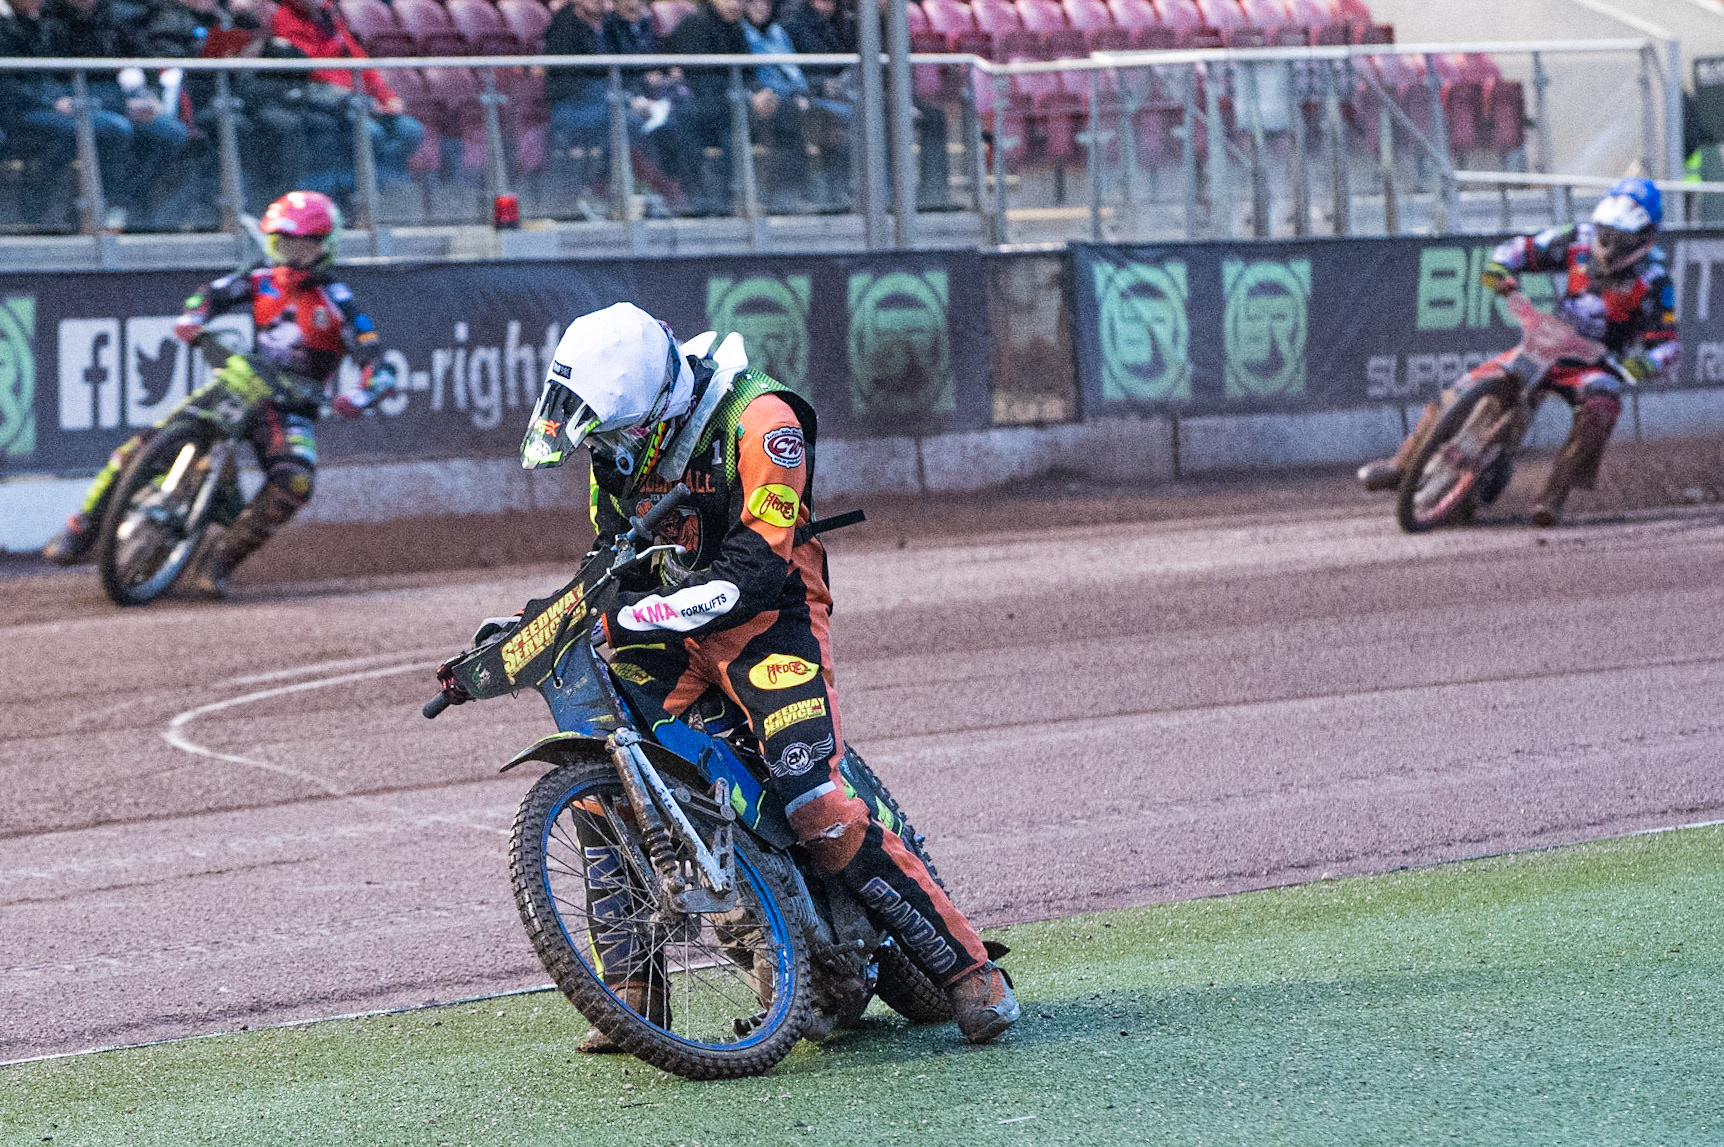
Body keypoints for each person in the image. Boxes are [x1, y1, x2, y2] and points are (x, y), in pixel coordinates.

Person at [507, 302, 1019, 1047]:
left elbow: (752, 572)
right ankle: (630, 998)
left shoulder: (762, 421)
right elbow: (610, 558)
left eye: (618, 434)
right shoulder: (613, 451)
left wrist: (635, 616)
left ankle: (971, 972)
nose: (610, 452)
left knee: (815, 802)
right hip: (675, 623)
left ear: (652, 407)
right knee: (603, 763)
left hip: (770, 618)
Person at [42, 191, 399, 596]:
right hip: (238, 383)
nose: (293, 256)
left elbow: (378, 365)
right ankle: (81, 526)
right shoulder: (259, 278)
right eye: (285, 245)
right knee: (140, 448)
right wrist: (193, 317)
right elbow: (210, 294)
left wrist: (362, 394)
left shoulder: (340, 302)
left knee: (295, 482)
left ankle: (220, 559)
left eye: (305, 246)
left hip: (289, 406)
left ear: (325, 247)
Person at [1357, 177, 1679, 527]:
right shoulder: (1578, 240)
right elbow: (1523, 248)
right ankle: (1401, 464)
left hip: (1597, 362)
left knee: (1601, 404)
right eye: (1606, 232)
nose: (1609, 245)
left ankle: (1553, 498)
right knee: (1464, 386)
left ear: (1646, 237)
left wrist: (1642, 363)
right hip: (1548, 344)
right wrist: (1499, 270)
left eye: (1621, 238)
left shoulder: (1655, 282)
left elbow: (1667, 345)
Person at [267, 0, 422, 190]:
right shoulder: (284, 18)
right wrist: (363, 101)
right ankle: (362, 190)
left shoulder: (328, 17)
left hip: (362, 100)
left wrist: (386, 97)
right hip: (326, 104)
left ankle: (377, 185)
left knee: (411, 130)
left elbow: (359, 60)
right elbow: (312, 70)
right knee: (373, 133)